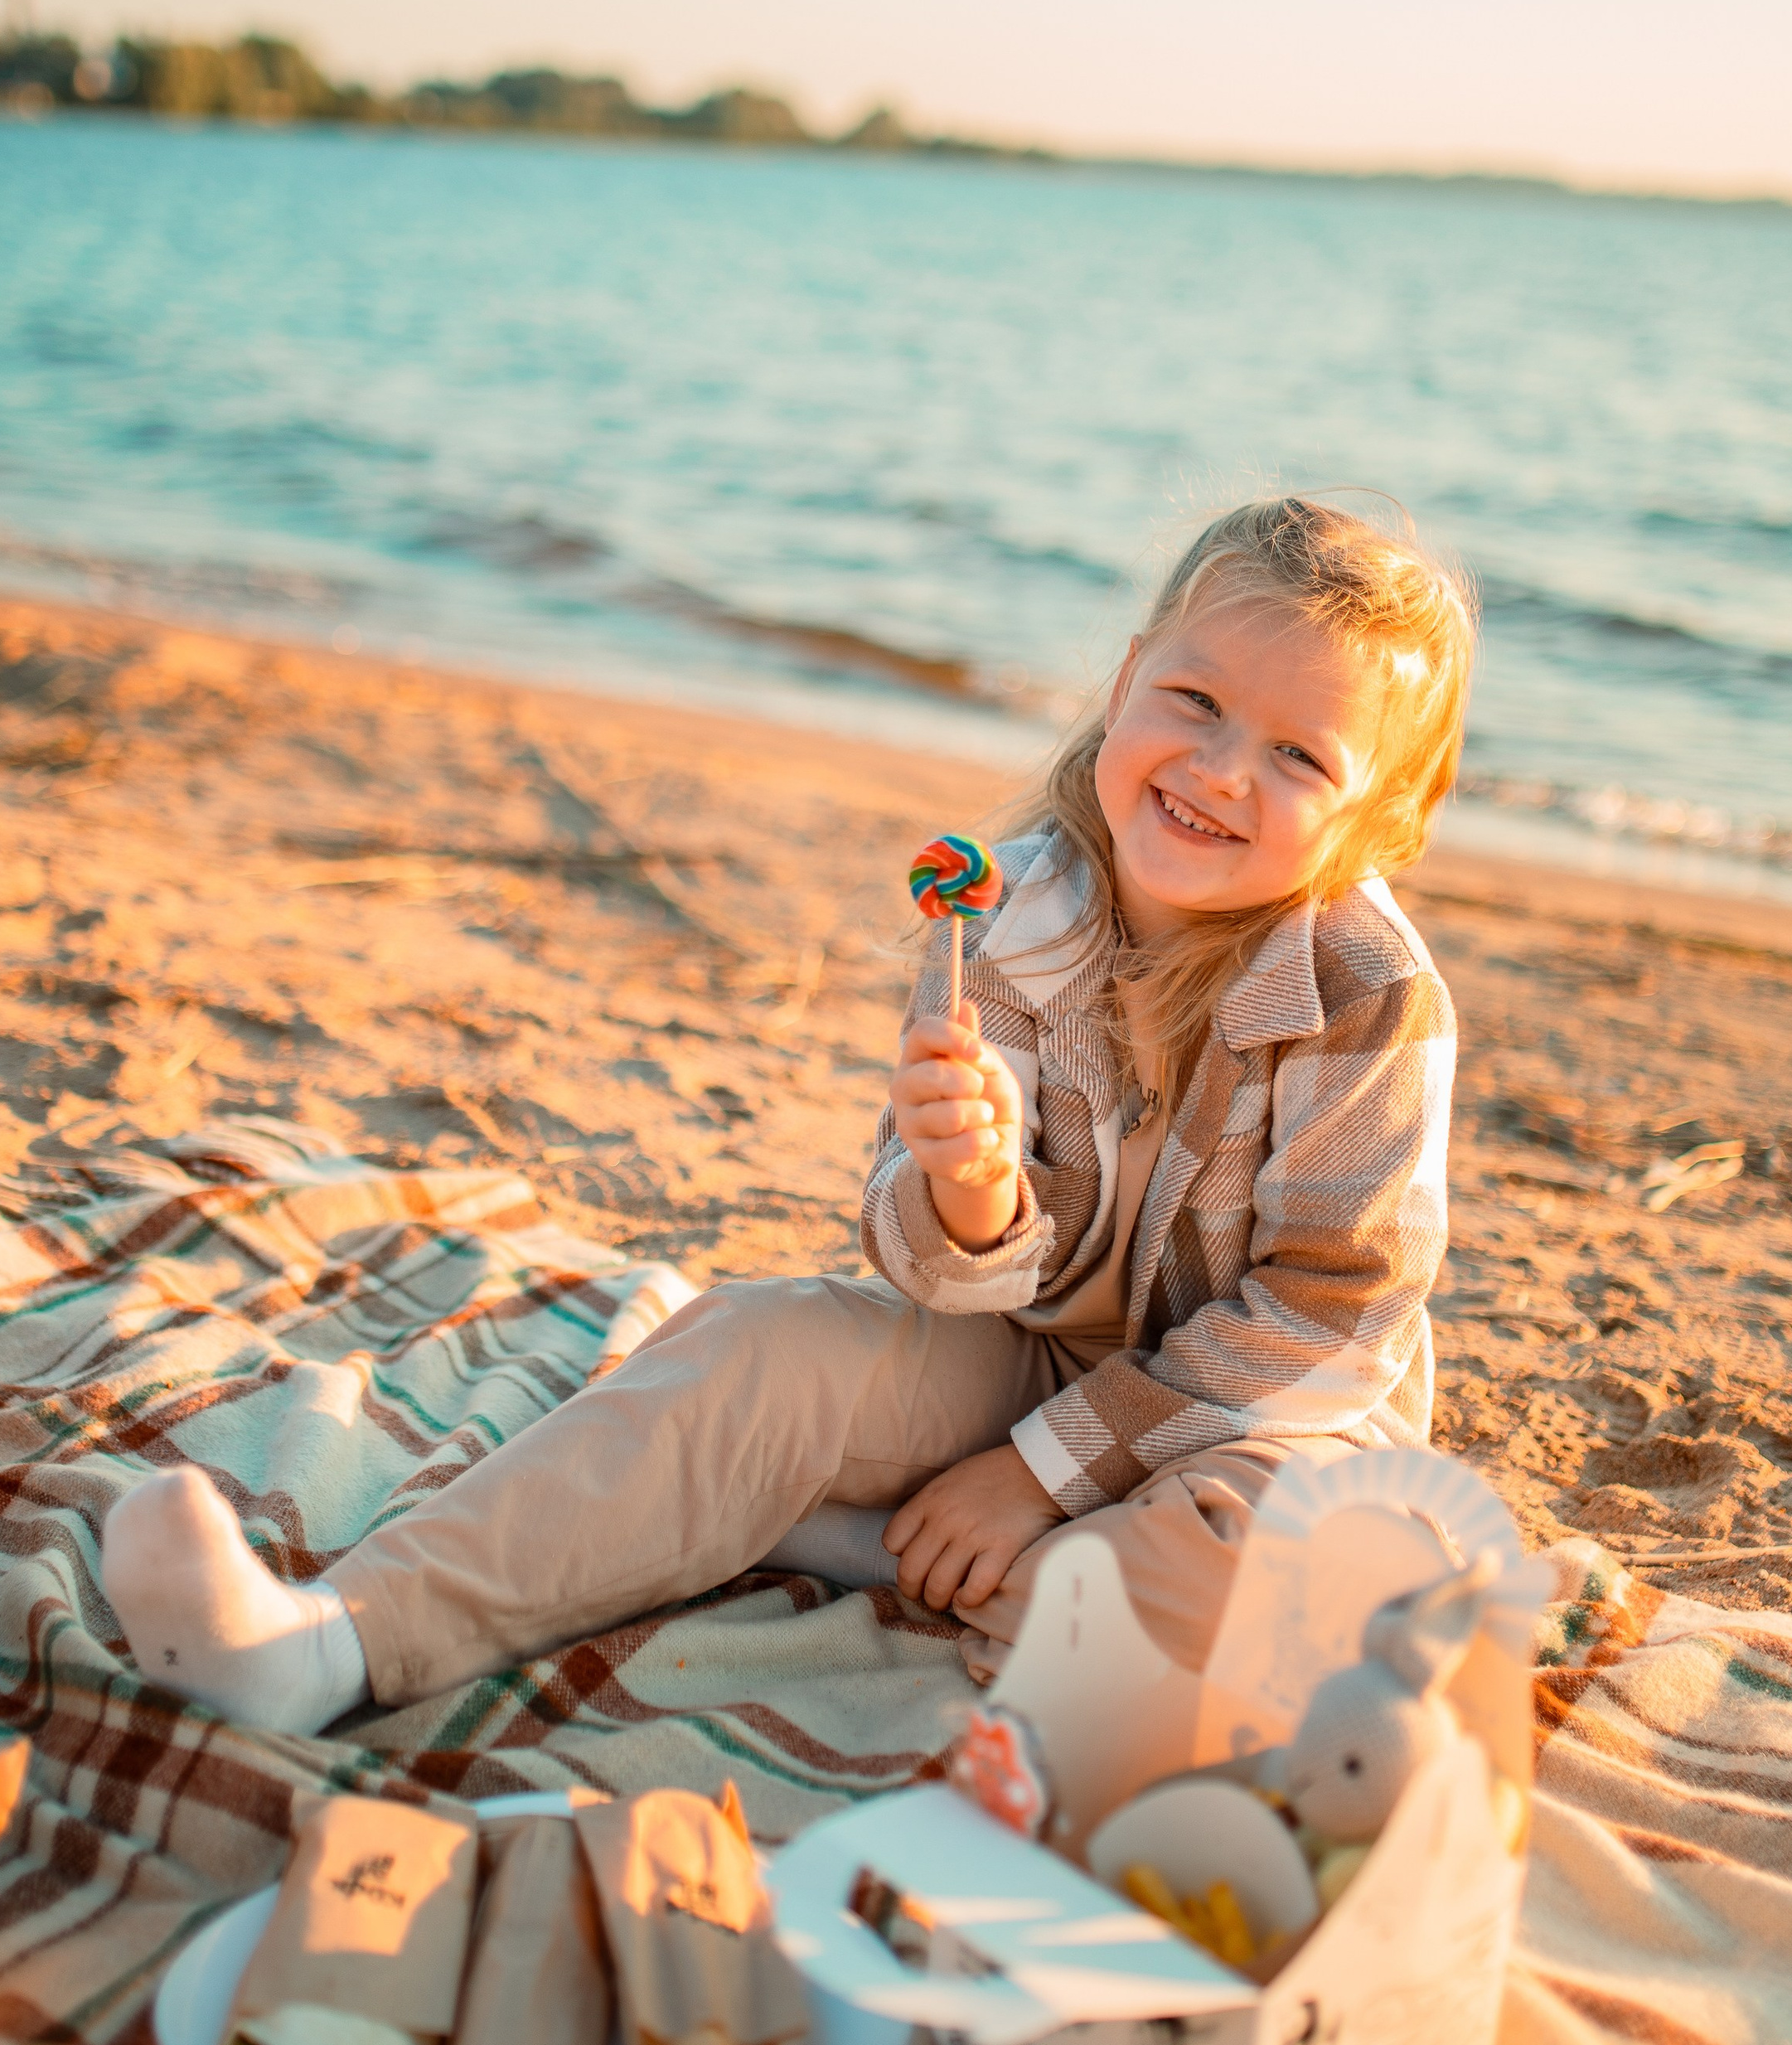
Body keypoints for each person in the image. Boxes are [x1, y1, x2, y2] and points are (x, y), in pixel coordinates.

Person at [104, 494, 1475, 1735]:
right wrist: (975, 1195)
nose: (1224, 768)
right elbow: (931, 1268)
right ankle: (331, 1645)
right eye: (1194, 699)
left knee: (1294, 1580)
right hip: (1034, 1355)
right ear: (1124, 684)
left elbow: (1326, 1319)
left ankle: (871, 1540)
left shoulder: (1369, 999)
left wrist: (1043, 1474)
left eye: (1301, 755)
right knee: (754, 1352)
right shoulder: (1003, 912)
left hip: (1259, 1421)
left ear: (1387, 822)